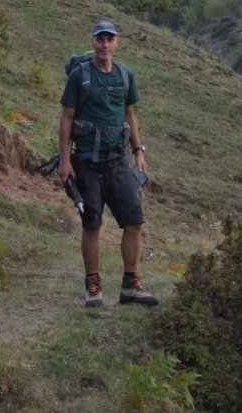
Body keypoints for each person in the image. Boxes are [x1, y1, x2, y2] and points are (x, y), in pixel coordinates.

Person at [58, 20, 158, 308]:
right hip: (87, 162)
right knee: (92, 223)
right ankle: (93, 285)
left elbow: (130, 114)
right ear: (92, 42)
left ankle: (130, 286)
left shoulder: (125, 76)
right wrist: (65, 161)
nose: (104, 45)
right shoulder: (80, 76)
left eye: (109, 39)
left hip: (118, 162)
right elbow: (66, 118)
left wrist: (138, 150)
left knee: (134, 221)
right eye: (100, 39)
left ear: (116, 43)